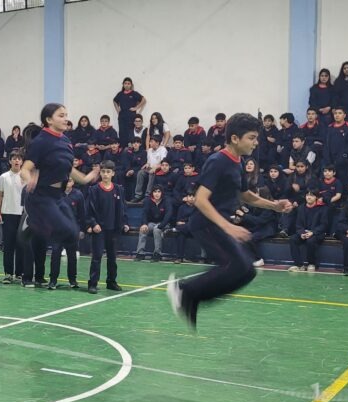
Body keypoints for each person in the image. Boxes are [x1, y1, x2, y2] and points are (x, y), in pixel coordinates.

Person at [167, 113, 293, 328]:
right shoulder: (218, 161)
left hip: (218, 224)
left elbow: (246, 195)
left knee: (247, 271)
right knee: (236, 266)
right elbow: (200, 199)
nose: (256, 143)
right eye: (251, 138)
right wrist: (229, 226)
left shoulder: (238, 162)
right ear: (235, 138)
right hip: (205, 224)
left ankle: (191, 297)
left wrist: (274, 205)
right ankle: (184, 290)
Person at [19, 104, 101, 288]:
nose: (66, 119)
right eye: (61, 116)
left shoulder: (65, 140)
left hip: (58, 195)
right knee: (67, 231)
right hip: (42, 195)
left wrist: (86, 178)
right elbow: (25, 168)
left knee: (73, 235)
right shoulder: (41, 141)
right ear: (49, 120)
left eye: (66, 115)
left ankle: (36, 224)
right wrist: (29, 179)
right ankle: (32, 224)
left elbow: (68, 168)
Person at [85, 161, 129, 294]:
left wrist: (124, 223)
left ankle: (111, 282)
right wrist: (93, 224)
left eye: (108, 172)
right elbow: (88, 210)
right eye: (103, 171)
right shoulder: (94, 190)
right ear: (100, 173)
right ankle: (93, 283)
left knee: (112, 258)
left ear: (113, 173)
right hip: (99, 229)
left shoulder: (119, 189)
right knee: (97, 257)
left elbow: (123, 208)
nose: (105, 174)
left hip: (114, 229)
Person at [48, 180, 85, 289]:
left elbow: (82, 214)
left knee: (72, 256)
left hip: (72, 230)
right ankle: (53, 280)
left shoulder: (78, 195)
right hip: (57, 230)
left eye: (70, 180)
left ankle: (73, 280)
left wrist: (82, 229)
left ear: (73, 182)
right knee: (55, 254)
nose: (68, 182)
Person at [0, 152, 25, 283]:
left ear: (22, 161)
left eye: (19, 159)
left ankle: (19, 273)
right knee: (8, 245)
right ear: (10, 161)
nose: (16, 161)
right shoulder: (3, 177)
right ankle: (8, 273)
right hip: (7, 213)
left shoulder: (25, 176)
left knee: (21, 245)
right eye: (14, 159)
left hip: (23, 214)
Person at [288, 188, 327, 272]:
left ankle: (312, 263)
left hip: (317, 233)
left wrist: (312, 232)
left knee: (310, 241)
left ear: (316, 197)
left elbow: (323, 225)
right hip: (304, 232)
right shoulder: (301, 208)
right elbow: (298, 224)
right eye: (307, 195)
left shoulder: (322, 208)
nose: (309, 197)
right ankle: (299, 265)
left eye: (311, 195)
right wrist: (301, 233)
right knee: (293, 239)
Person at [135, 186, 170, 261]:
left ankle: (157, 254)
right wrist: (144, 224)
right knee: (143, 229)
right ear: (152, 193)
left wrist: (161, 225)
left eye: (159, 192)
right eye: (155, 192)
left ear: (162, 193)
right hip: (152, 223)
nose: (157, 194)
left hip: (164, 224)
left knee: (156, 229)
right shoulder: (148, 200)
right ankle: (140, 253)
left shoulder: (166, 200)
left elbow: (168, 215)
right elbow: (144, 213)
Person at [113, 77, 146, 144]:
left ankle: (131, 148)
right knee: (122, 133)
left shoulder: (134, 93)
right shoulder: (120, 94)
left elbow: (144, 100)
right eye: (125, 83)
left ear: (131, 85)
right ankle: (123, 147)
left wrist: (136, 108)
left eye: (128, 83)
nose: (127, 85)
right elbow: (114, 101)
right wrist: (118, 110)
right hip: (122, 117)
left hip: (131, 117)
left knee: (131, 133)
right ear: (123, 84)